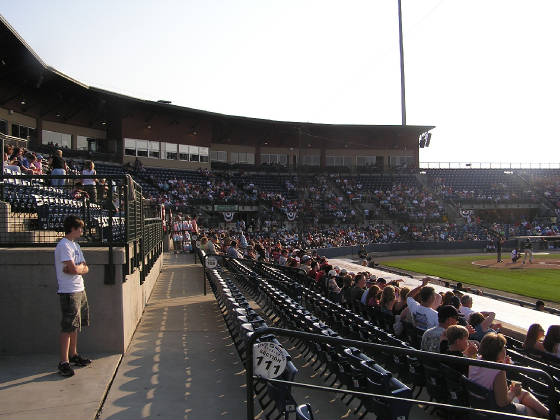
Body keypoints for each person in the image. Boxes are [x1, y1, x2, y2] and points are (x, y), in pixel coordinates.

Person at [469, 333, 549, 417]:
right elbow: (502, 403)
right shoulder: (498, 370)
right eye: (504, 347)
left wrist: (503, 365)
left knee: (524, 394)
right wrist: (513, 392)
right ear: (498, 351)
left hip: (480, 404)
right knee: (534, 413)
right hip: (495, 411)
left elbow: (487, 379)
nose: (505, 350)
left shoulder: (475, 361)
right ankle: (552, 416)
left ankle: (552, 415)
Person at [54, 216, 92, 377]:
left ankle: (73, 354)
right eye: (80, 228)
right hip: (69, 290)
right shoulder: (63, 246)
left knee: (76, 325)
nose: (82, 231)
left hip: (79, 288)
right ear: (72, 228)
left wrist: (78, 269)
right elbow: (74, 269)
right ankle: (63, 362)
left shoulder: (75, 245)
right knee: (68, 326)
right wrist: (78, 269)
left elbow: (84, 268)